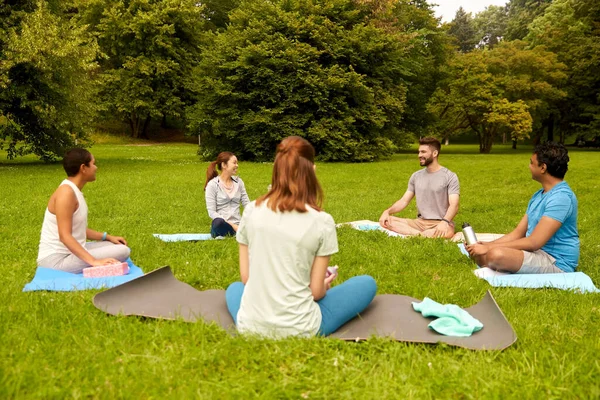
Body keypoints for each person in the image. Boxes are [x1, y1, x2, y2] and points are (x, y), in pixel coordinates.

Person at [225, 136, 377, 338]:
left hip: (251, 324)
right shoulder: (322, 221)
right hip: (301, 327)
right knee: (366, 284)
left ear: (276, 170)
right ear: (311, 171)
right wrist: (325, 284)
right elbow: (315, 292)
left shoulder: (251, 210)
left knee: (235, 288)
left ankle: (260, 319)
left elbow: (246, 278)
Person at [466, 142, 579, 274]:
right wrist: (484, 245)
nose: (528, 166)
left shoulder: (561, 198)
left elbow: (534, 242)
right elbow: (517, 233)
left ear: (543, 167)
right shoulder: (539, 195)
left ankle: (488, 259)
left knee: (496, 254)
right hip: (536, 253)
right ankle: (486, 258)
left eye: (531, 163)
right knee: (488, 252)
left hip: (556, 261)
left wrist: (490, 247)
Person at [37, 149, 130, 273]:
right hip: (56, 260)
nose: (96, 168)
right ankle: (90, 260)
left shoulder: (73, 190)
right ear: (83, 168)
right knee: (123, 251)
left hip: (71, 252)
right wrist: (94, 261)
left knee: (117, 246)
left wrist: (107, 237)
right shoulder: (66, 193)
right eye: (93, 163)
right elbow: (64, 236)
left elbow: (77, 228)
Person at [379, 137, 460, 238]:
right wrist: (387, 211)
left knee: (447, 232)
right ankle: (421, 235)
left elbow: (454, 205)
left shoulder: (450, 176)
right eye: (419, 152)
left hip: (440, 223)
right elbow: (404, 201)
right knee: (388, 220)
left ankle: (415, 234)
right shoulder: (416, 176)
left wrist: (444, 222)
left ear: (435, 153)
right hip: (419, 223)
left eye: (423, 152)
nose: (419, 155)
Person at [204, 152, 250, 238]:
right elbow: (212, 212)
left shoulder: (239, 182)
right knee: (218, 222)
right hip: (222, 224)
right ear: (224, 165)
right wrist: (234, 226)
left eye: (237, 163)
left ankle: (240, 232)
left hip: (239, 224)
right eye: (234, 162)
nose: (237, 165)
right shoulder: (212, 185)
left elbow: (247, 204)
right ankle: (238, 232)